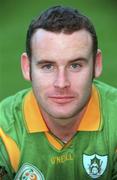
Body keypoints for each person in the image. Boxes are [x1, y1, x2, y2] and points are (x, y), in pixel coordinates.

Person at [0, 5, 117, 180]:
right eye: (47, 66)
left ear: (97, 64)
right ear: (26, 67)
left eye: (75, 65)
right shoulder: (4, 128)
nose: (61, 83)